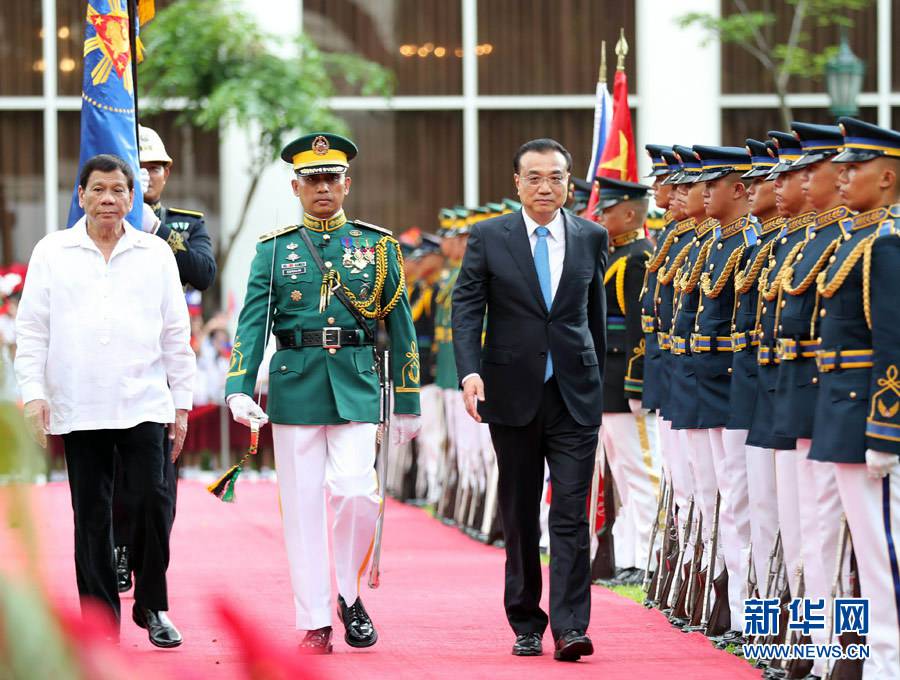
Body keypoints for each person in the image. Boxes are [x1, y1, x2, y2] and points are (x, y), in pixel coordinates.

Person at [224, 132, 421, 654]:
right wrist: (239, 387)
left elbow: (402, 327)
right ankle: (314, 621)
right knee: (303, 508)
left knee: (357, 491)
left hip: (356, 383)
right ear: (296, 187)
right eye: (312, 180)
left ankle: (348, 593)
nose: (323, 188)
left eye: (331, 179)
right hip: (296, 386)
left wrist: (407, 401)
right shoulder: (274, 249)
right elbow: (252, 324)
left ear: (347, 184)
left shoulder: (378, 247)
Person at [14, 153, 194, 647]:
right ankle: (98, 626)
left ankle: (152, 604)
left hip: (145, 401)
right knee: (91, 516)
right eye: (98, 189)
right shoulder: (53, 252)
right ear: (81, 196)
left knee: (154, 502)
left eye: (118, 190)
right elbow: (33, 331)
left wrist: (181, 403)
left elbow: (176, 333)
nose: (108, 199)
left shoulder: (155, 253)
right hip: (79, 403)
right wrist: (33, 395)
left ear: (132, 198)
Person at [452, 138, 607, 662]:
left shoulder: (591, 237)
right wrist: (470, 372)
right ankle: (525, 620)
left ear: (570, 183)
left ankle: (571, 626)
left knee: (570, 512)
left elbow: (594, 317)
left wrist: (596, 383)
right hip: (511, 392)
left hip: (574, 395)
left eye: (556, 177)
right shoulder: (488, 236)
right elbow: (467, 308)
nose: (546, 186)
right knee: (519, 512)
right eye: (535, 177)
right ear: (517, 182)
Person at [808, 117, 900, 680]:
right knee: (863, 550)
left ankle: (889, 663)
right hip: (841, 411)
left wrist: (887, 427)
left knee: (884, 551)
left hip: (867, 413)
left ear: (887, 177)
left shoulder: (886, 244)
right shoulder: (859, 241)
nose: (841, 176)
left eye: (855, 167)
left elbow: (892, 341)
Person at [113, 124, 218, 593]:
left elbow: (203, 273)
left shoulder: (185, 224)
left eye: (155, 166)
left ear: (167, 173)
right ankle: (119, 548)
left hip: (163, 359)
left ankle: (150, 558)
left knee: (160, 477)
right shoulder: (104, 219)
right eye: (139, 166)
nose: (147, 174)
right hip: (115, 356)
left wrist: (156, 230)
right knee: (115, 466)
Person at [593, 176, 660, 586]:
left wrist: (638, 383)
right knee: (622, 472)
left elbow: (640, 328)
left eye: (608, 209)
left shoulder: (639, 257)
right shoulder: (615, 254)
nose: (601, 216)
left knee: (643, 471)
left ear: (631, 213)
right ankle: (632, 558)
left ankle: (651, 559)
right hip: (607, 377)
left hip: (625, 379)